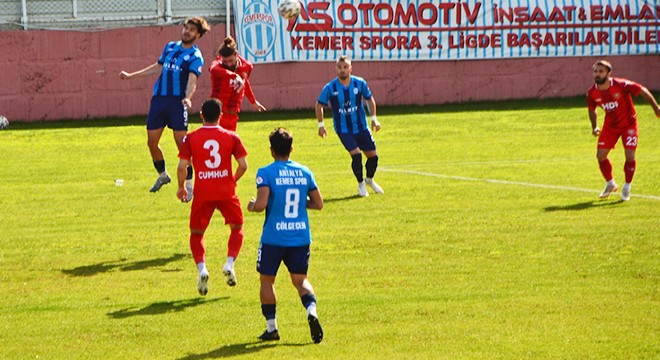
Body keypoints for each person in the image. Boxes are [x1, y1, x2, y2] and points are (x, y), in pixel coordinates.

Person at [247, 128, 324, 343]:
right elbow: (319, 204)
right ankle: (311, 311)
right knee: (300, 280)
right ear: (291, 149)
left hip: (273, 238)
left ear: (271, 150)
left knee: (267, 280)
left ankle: (272, 328)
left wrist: (252, 206)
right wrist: (302, 204)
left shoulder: (266, 172)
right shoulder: (305, 172)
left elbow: (262, 205)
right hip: (300, 236)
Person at [119, 17, 210, 198]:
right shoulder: (170, 46)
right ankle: (163, 175)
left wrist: (188, 98)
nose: (186, 31)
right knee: (152, 143)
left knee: (182, 146)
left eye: (191, 29)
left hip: (177, 103)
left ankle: (190, 185)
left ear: (198, 35)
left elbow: (193, 82)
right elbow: (156, 68)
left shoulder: (195, 56)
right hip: (159, 100)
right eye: (185, 27)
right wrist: (130, 76)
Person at [176, 98, 248, 296]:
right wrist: (232, 180)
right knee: (237, 228)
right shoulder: (232, 136)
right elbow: (243, 165)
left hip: (203, 192)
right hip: (226, 191)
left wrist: (181, 187)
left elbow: (182, 166)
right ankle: (230, 263)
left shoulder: (191, 138)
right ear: (221, 116)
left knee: (197, 233)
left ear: (201, 116)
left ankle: (202, 269)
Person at [587, 60, 660, 201]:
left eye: (601, 71)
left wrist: (656, 108)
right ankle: (610, 184)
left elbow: (642, 90)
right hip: (611, 126)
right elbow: (592, 109)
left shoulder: (621, 85)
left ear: (609, 73)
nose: (597, 74)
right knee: (600, 155)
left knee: (630, 156)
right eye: (595, 71)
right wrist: (594, 126)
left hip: (629, 125)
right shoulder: (592, 92)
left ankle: (627, 187)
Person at [315, 55, 384, 197]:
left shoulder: (360, 83)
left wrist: (374, 119)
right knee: (357, 156)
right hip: (343, 129)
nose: (342, 70)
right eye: (340, 67)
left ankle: (369, 180)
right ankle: (361, 184)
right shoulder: (330, 87)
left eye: (345, 67)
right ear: (336, 69)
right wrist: (321, 125)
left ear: (350, 68)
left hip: (361, 127)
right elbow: (319, 104)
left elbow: (369, 98)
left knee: (373, 157)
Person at [209, 36, 266, 132]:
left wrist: (253, 101)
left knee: (229, 144)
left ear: (237, 55)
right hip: (215, 113)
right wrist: (234, 76)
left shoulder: (246, 66)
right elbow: (213, 69)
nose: (228, 64)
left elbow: (244, 82)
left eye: (231, 61)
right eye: (225, 61)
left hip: (233, 113)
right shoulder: (218, 64)